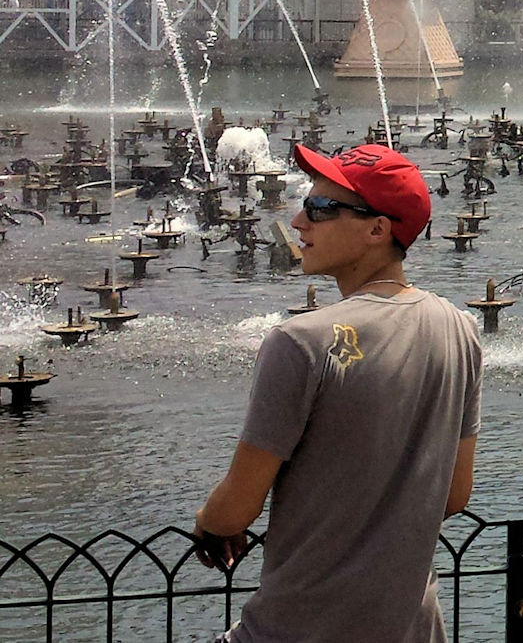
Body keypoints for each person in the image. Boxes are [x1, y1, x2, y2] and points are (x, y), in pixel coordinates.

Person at [193, 143, 483, 643]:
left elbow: (237, 509)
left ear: (377, 229)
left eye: (321, 209)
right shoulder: (460, 329)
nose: (299, 221)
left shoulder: (299, 341)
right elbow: (455, 495)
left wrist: (209, 520)